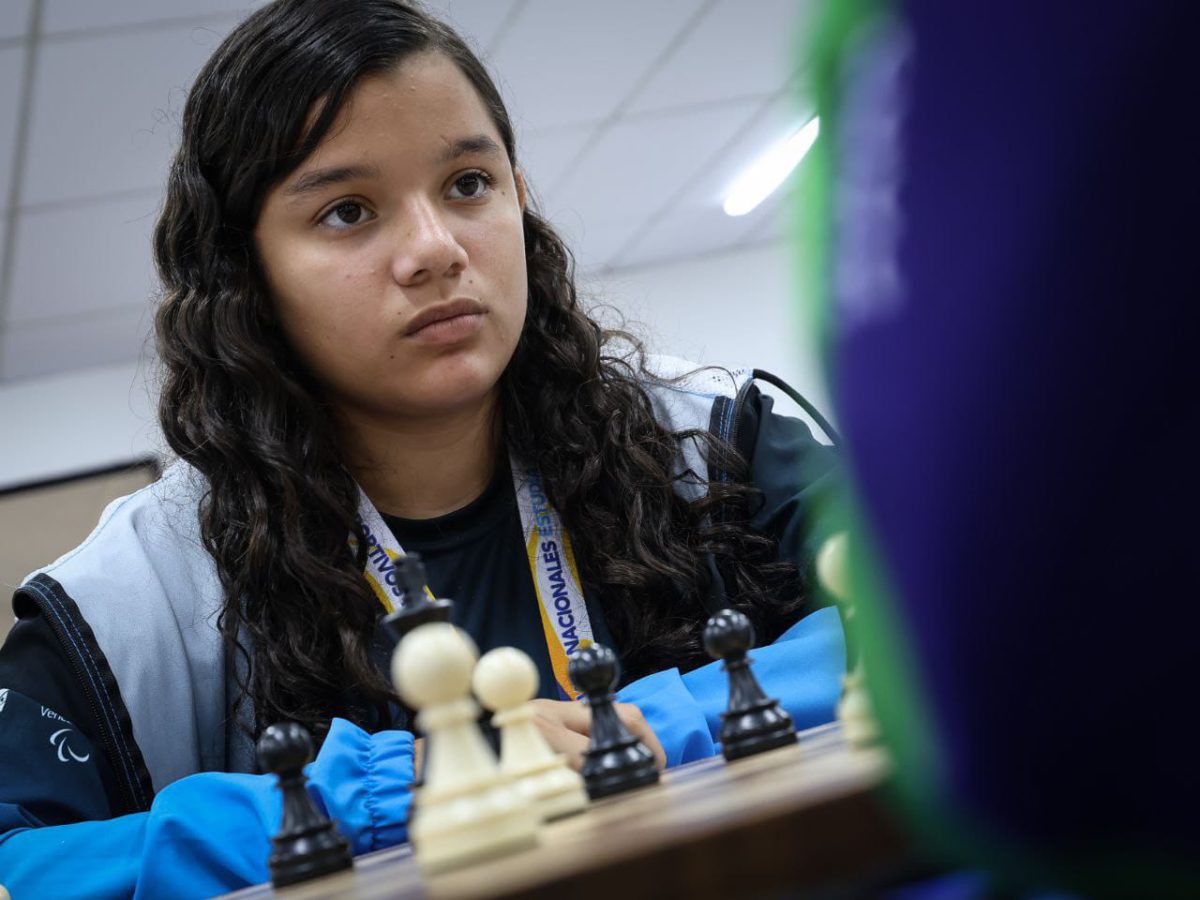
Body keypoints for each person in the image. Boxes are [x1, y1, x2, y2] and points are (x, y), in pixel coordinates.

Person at [0, 0, 844, 895]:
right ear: (244, 278)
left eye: (468, 184)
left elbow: (939, 619)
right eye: (348, 210)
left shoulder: (714, 437)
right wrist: (371, 796)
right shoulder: (133, 600)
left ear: (520, 195)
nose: (435, 249)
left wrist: (651, 722)